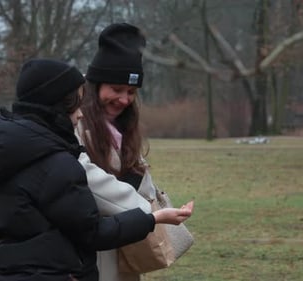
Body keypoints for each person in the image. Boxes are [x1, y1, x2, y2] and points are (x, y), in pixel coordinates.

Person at [0, 58, 194, 281]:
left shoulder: (8, 158)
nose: (81, 113)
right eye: (76, 105)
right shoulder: (59, 163)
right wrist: (153, 218)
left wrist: (26, 240)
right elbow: (94, 233)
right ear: (57, 106)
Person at [77, 23, 190, 281]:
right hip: (91, 249)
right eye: (116, 90)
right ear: (95, 86)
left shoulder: (123, 127)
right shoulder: (75, 122)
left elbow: (139, 178)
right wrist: (148, 213)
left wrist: (158, 204)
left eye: (130, 92)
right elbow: (83, 177)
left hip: (125, 242)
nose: (124, 100)